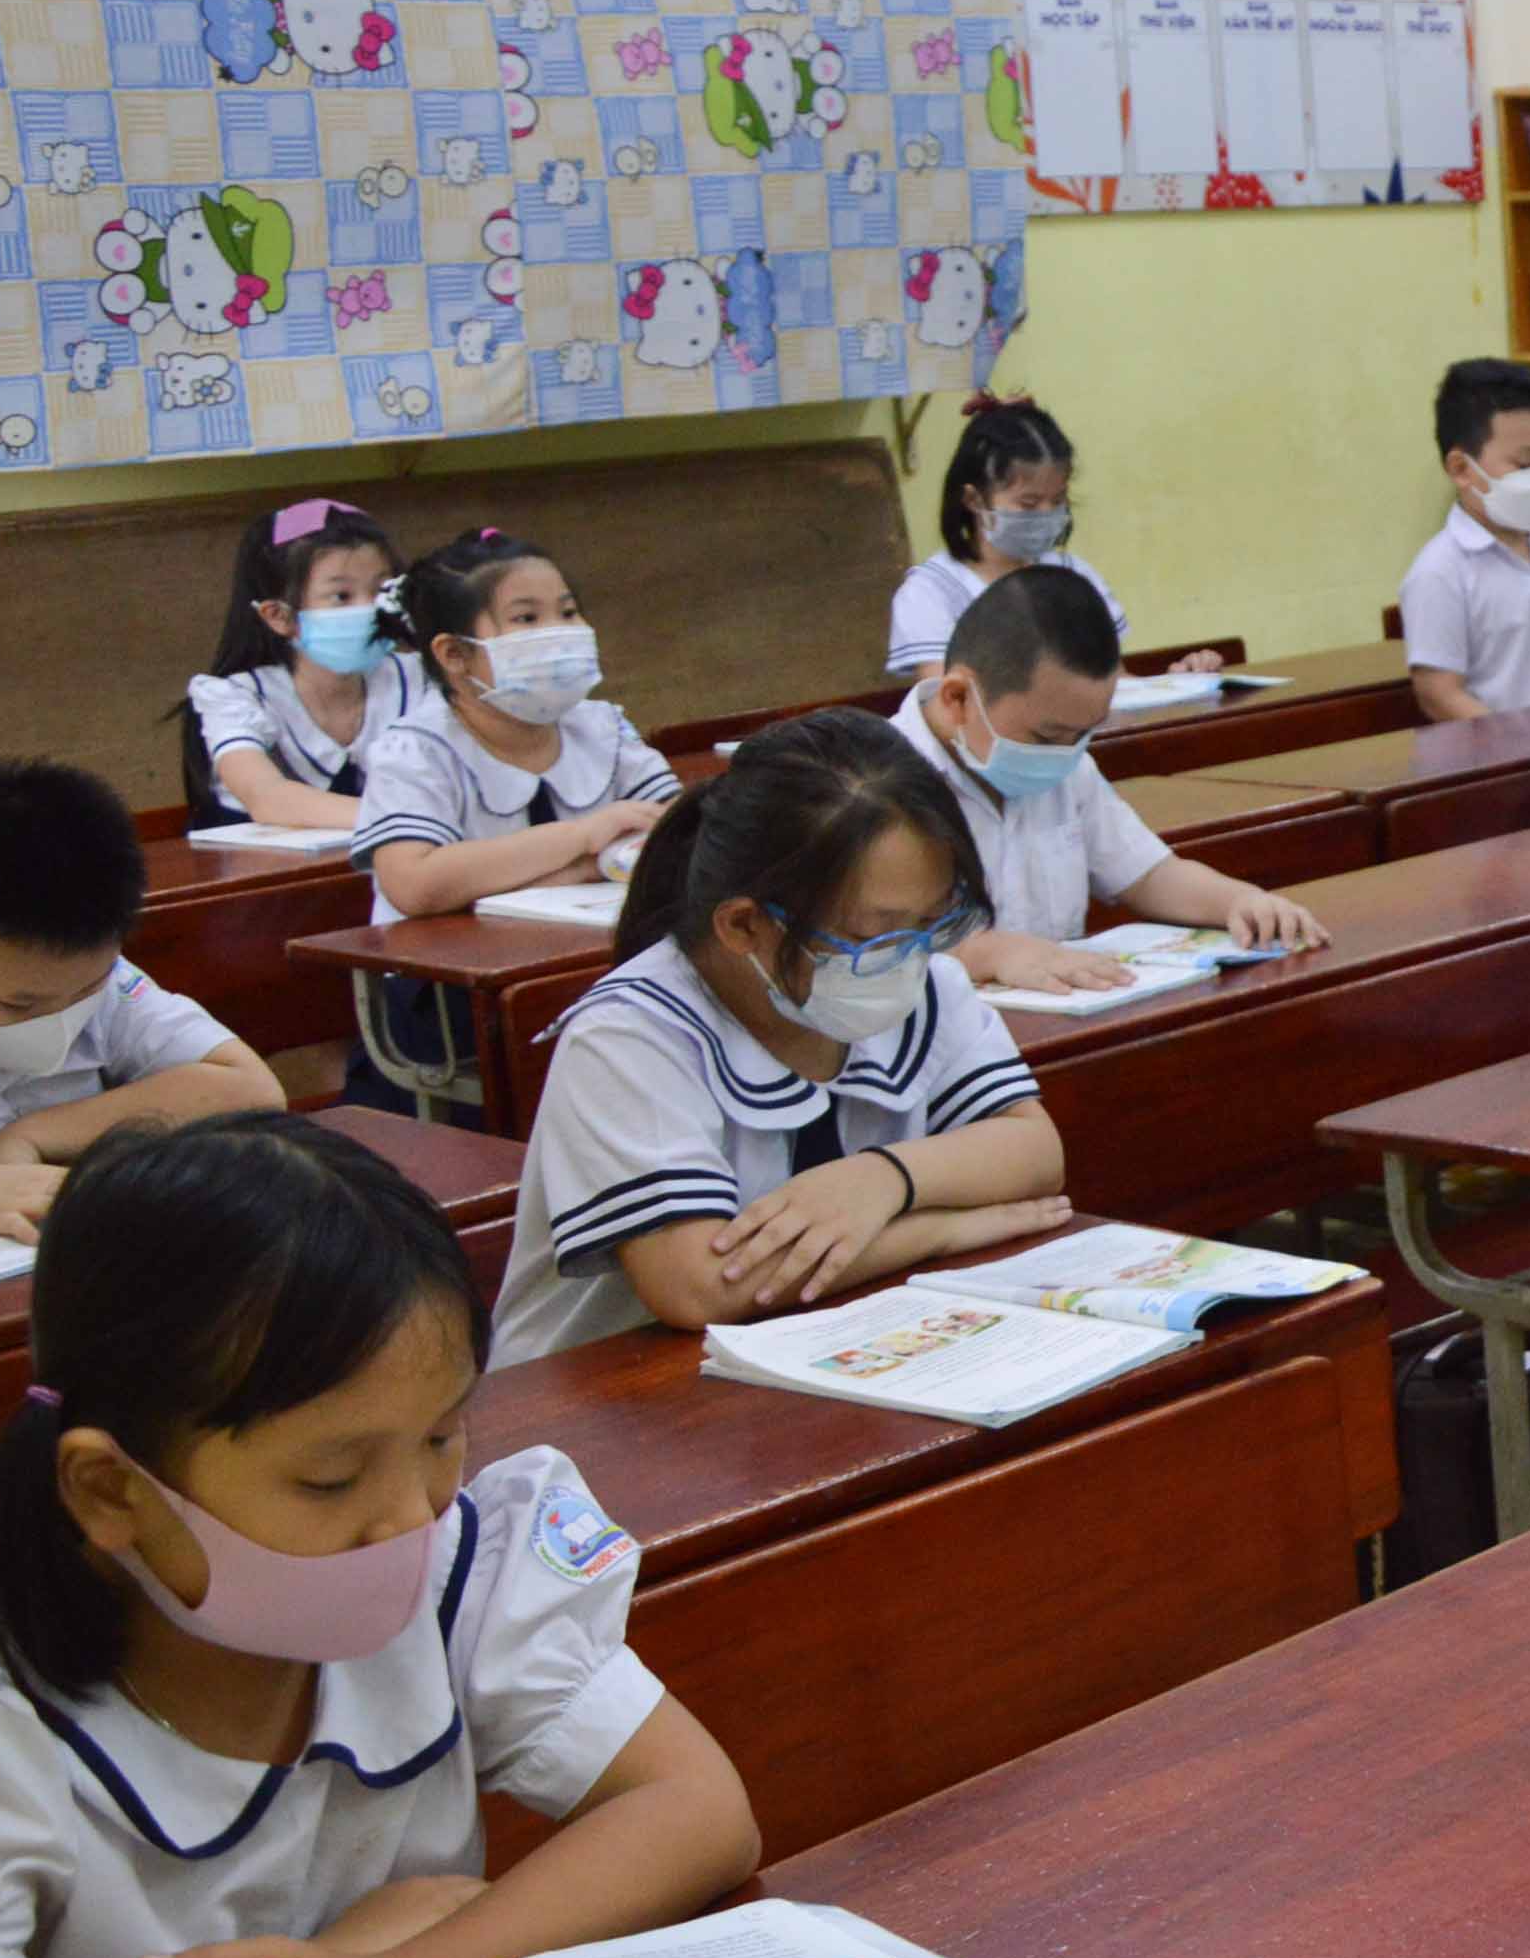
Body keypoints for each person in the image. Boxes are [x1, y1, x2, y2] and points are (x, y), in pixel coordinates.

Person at [0, 1113, 760, 1958]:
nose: (409, 1517)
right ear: (113, 1491)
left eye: (442, 1437)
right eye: (331, 1480)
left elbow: (698, 1810)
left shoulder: (457, 1574)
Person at [493, 710, 1068, 1364]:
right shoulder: (630, 1035)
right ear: (743, 926)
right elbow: (700, 1288)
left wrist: (883, 1182)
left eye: (934, 921)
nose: (909, 956)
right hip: (605, 1402)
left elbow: (1033, 1148)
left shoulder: (922, 981)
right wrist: (937, 1230)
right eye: (870, 934)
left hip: (818, 1346)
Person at [349, 533, 681, 1116]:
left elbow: (677, 830)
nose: (560, 631)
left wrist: (591, 861)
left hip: (598, 961)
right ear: (454, 654)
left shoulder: (602, 726)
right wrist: (580, 840)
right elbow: (413, 882)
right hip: (454, 1007)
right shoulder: (415, 748)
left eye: (569, 612)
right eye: (526, 618)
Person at [0, 761, 279, 1248]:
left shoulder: (92, 977)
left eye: (84, 993)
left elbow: (250, 1089)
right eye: (19, 1004)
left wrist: (30, 1135)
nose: (61, 1020)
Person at [888, 568, 1327, 993]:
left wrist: (1239, 902)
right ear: (957, 697)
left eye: (1084, 734)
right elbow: (862, 952)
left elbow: (1146, 874)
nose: (1064, 753)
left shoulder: (1065, 762)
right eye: (1048, 735)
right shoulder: (875, 786)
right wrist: (986, 955)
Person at [884, 397, 1199, 679]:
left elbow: (1112, 684)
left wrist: (1179, 683)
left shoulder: (1074, 575)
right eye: (1029, 503)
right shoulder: (932, 592)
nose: (1047, 514)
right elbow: (948, 705)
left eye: (1058, 499)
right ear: (974, 500)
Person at [176, 500, 433, 829]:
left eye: (381, 589)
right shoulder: (236, 697)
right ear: (279, 616)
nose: (371, 609)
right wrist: (414, 818)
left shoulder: (417, 677)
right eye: (342, 596)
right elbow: (269, 799)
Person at [1402, 358, 1530, 724]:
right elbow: (1439, 694)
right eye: (1524, 465)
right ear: (1461, 469)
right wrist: (1521, 751)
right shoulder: (1441, 572)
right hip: (1509, 762)